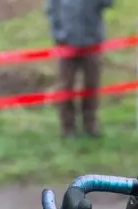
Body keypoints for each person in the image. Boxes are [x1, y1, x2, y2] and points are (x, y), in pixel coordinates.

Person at [47, 0, 113, 138]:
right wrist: (58, 34)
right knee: (66, 86)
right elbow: (51, 10)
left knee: (91, 84)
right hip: (66, 43)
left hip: (91, 41)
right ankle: (68, 128)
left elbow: (108, 3)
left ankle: (90, 125)